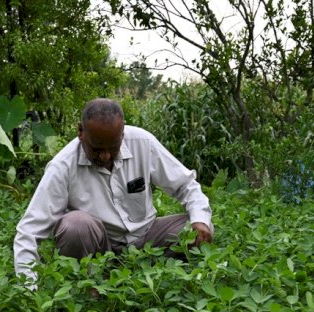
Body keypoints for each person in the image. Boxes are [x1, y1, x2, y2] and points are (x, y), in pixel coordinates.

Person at [13, 98, 213, 284]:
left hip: (147, 238)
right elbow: (29, 231)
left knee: (199, 226)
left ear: (122, 132)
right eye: (97, 149)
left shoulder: (143, 142)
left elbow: (186, 185)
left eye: (113, 147)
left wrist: (199, 220)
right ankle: (91, 284)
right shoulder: (62, 166)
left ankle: (164, 276)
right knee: (74, 225)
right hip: (99, 248)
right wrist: (28, 286)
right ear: (80, 132)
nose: (106, 156)